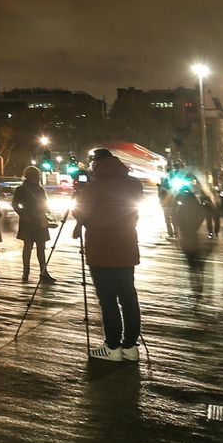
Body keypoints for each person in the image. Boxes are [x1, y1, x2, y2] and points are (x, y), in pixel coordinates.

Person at [75, 148, 143, 361]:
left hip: (101, 249)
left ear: (96, 164)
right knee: (128, 297)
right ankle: (131, 347)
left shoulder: (94, 188)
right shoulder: (134, 184)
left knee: (108, 299)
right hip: (126, 247)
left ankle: (112, 347)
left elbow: (81, 212)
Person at [12, 166, 55, 284]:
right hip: (29, 221)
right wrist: (24, 214)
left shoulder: (39, 189)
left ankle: (43, 271)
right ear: (30, 176)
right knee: (28, 247)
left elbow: (44, 203)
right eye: (36, 176)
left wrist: (47, 212)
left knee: (40, 248)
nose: (38, 178)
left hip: (38, 220)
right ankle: (27, 271)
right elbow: (15, 204)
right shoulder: (22, 189)